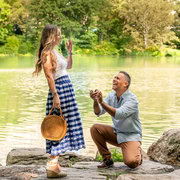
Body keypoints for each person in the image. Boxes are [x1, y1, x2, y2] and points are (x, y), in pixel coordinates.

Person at [33, 24, 85, 177]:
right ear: (51, 36)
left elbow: (67, 67)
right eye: (58, 34)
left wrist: (69, 52)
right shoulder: (47, 53)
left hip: (66, 89)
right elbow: (49, 76)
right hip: (60, 91)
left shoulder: (55, 52)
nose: (60, 37)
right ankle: (52, 164)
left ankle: (54, 165)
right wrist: (55, 95)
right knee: (57, 125)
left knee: (64, 124)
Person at [90, 71, 142, 169]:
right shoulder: (111, 95)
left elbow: (118, 114)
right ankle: (107, 160)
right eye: (114, 77)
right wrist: (96, 101)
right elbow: (98, 112)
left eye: (117, 78)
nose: (114, 79)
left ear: (125, 84)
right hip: (117, 133)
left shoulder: (132, 99)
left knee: (131, 163)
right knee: (95, 128)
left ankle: (137, 153)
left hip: (131, 136)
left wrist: (101, 101)